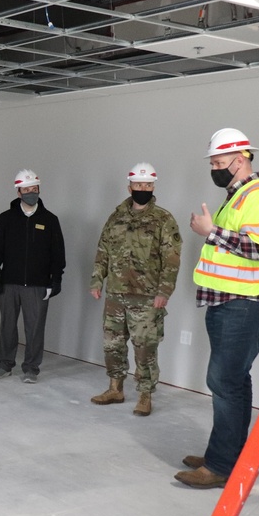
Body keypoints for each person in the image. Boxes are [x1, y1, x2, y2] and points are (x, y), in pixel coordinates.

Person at [175, 128, 259, 489]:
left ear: (242, 160)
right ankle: (229, 454)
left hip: (246, 305)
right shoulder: (236, 197)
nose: (215, 168)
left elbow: (257, 249)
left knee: (224, 381)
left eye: (220, 163)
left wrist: (210, 232)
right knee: (235, 380)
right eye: (213, 163)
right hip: (230, 303)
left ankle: (220, 466)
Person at [90, 163, 182, 416]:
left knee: (145, 348)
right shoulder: (116, 217)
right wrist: (97, 280)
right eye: (139, 185)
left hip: (146, 296)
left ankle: (145, 395)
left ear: (153, 187)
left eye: (148, 185)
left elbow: (172, 259)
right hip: (116, 294)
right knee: (113, 345)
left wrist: (164, 291)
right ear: (129, 186)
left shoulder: (164, 219)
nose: (143, 189)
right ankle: (115, 388)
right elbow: (103, 251)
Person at [0, 169, 66, 383]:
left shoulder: (50, 220)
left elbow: (58, 253)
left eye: (34, 189)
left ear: (39, 189)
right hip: (9, 283)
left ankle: (31, 368)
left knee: (35, 329)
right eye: (26, 189)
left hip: (37, 285)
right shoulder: (6, 219)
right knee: (7, 326)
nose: (31, 193)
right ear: (18, 192)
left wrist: (55, 279)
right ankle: (4, 364)